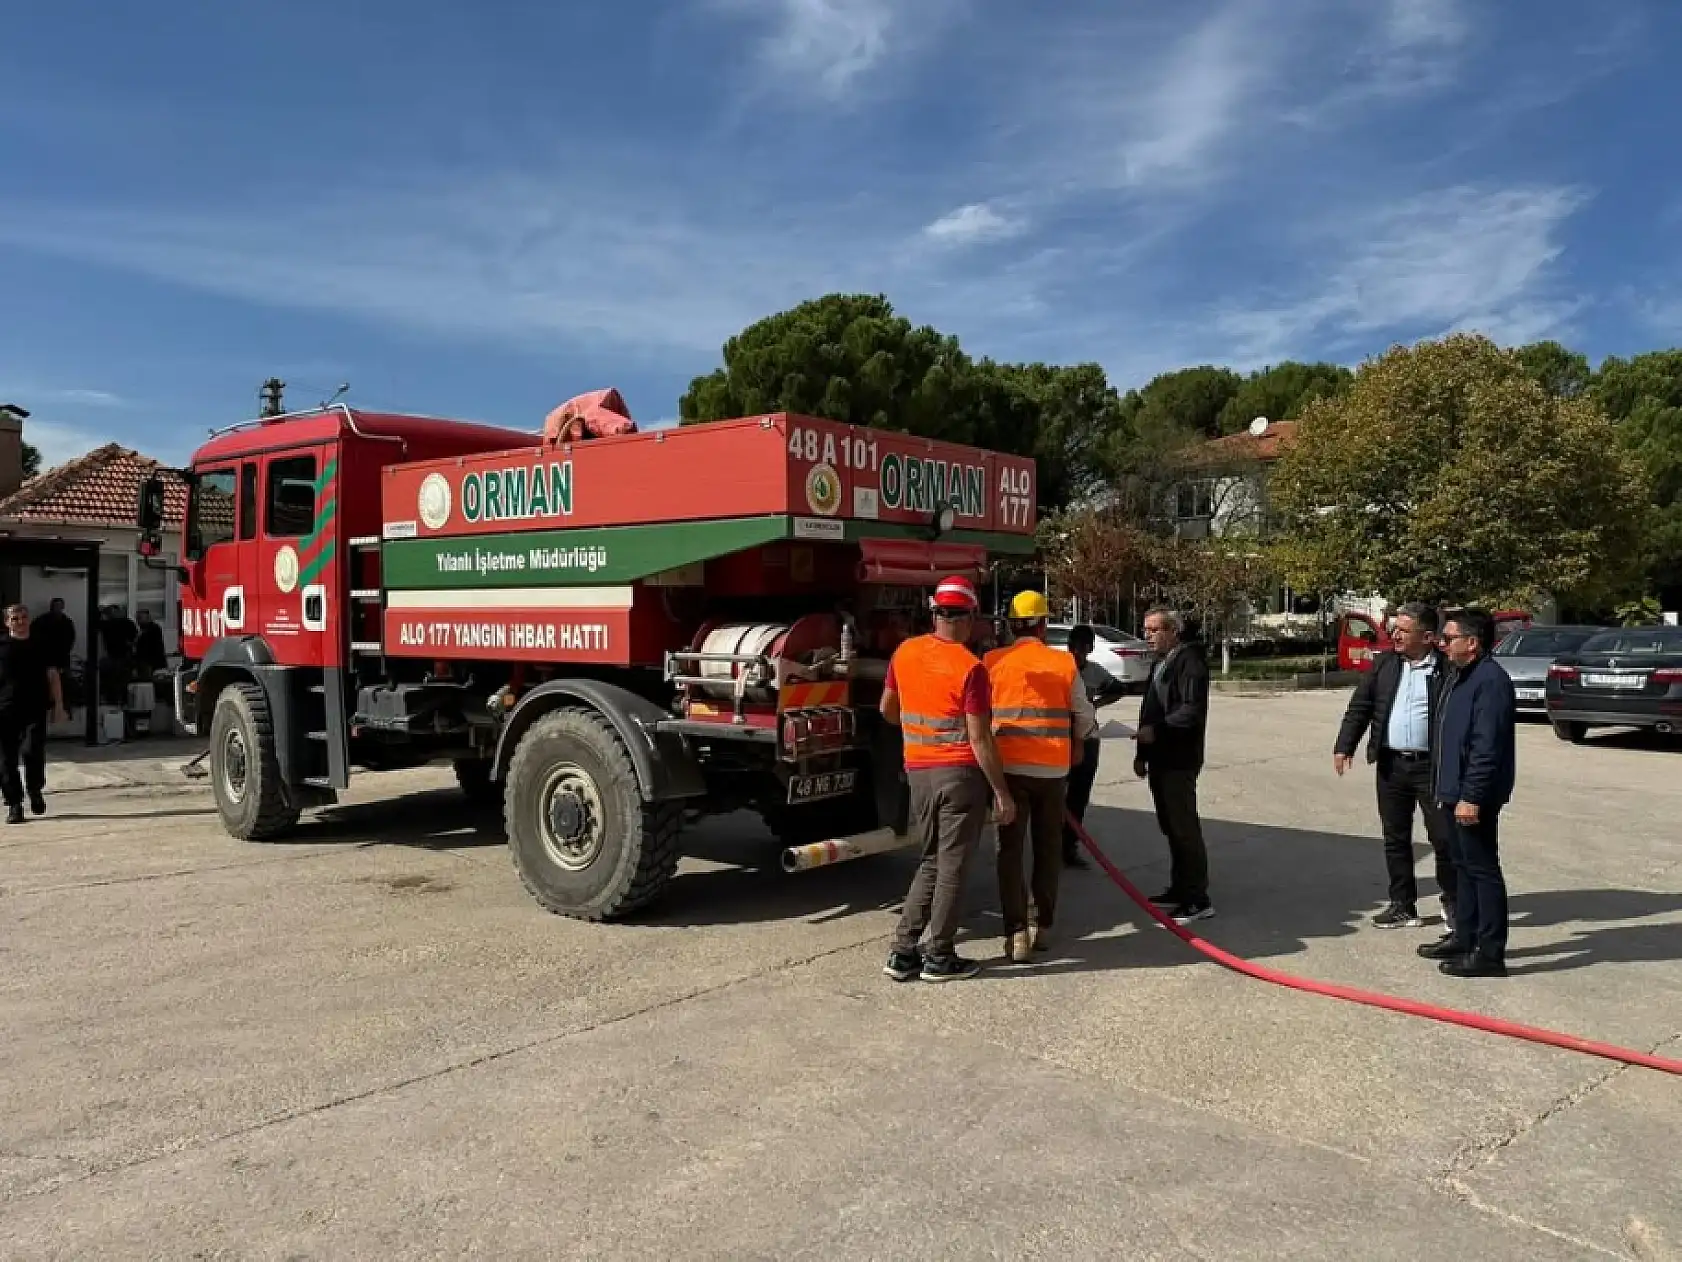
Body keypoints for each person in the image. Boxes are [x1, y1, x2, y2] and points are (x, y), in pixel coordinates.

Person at [879, 576, 1016, 983]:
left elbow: (887, 709)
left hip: (918, 771)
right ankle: (939, 955)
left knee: (931, 861)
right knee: (953, 865)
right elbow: (979, 738)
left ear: (934, 613)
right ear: (971, 616)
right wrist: (1001, 793)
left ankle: (904, 952)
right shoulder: (971, 668)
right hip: (958, 774)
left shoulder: (904, 652)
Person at [983, 592, 1096, 961]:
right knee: (1048, 849)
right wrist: (1078, 742)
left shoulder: (992, 661)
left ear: (1012, 625)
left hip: (1007, 769)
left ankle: (1015, 934)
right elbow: (1084, 714)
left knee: (1010, 851)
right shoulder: (1063, 663)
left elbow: (979, 716)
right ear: (1043, 625)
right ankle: (1042, 927)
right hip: (1051, 770)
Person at [1333, 601, 1457, 930]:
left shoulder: (1447, 670)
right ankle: (1403, 904)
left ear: (1428, 636)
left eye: (1403, 630)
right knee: (1395, 838)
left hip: (1432, 766)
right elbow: (1360, 705)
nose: (1394, 634)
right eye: (1394, 628)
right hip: (1391, 764)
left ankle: (1453, 901)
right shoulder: (1386, 664)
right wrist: (1345, 745)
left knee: (1443, 838)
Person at [1418, 608, 1517, 978]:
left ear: (1472, 643)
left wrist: (1471, 796)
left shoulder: (1490, 681)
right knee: (1461, 869)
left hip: (1472, 796)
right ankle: (1465, 935)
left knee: (1481, 870)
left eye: (1448, 639)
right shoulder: (1458, 676)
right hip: (1450, 790)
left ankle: (1490, 952)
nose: (1441, 645)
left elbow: (1485, 747)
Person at [1134, 607, 1213, 924]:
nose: (1148, 636)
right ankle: (1179, 888)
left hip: (1179, 759)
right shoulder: (1160, 663)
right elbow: (1149, 710)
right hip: (1159, 758)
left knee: (1184, 828)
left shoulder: (1190, 663)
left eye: (1154, 630)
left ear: (1174, 631)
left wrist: (1158, 731)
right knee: (1170, 826)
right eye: (1146, 630)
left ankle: (1197, 898)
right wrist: (1141, 752)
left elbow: (1190, 712)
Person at [0, 605, 68, 823]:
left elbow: (53, 675)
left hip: (35, 708)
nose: (20, 622)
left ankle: (35, 790)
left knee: (32, 750)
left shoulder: (41, 644)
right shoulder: (1, 647)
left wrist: (59, 705)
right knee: (6, 759)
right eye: (14, 618)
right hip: (5, 710)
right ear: (7, 622)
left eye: (23, 617)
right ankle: (14, 804)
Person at [1061, 624, 1116, 869]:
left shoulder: (1095, 672)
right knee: (1055, 798)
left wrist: (1096, 704)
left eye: (1084, 649)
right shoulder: (1060, 668)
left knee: (1078, 797)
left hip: (1086, 739)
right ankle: (1054, 846)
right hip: (1062, 740)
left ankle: (1069, 846)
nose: (1079, 654)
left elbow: (1118, 688)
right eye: (1076, 648)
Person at [33, 597, 76, 675]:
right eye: (55, 606)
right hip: (45, 657)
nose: (57, 608)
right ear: (51, 607)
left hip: (62, 657)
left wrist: (66, 650)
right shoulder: (42, 620)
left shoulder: (67, 622)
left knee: (63, 680)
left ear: (63, 607)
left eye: (59, 606)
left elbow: (71, 638)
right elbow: (34, 635)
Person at [135, 608, 167, 678]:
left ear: (147, 618)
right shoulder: (145, 629)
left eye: (139, 618)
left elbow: (148, 646)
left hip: (151, 663)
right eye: (137, 618)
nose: (137, 621)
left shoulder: (152, 629)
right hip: (150, 662)